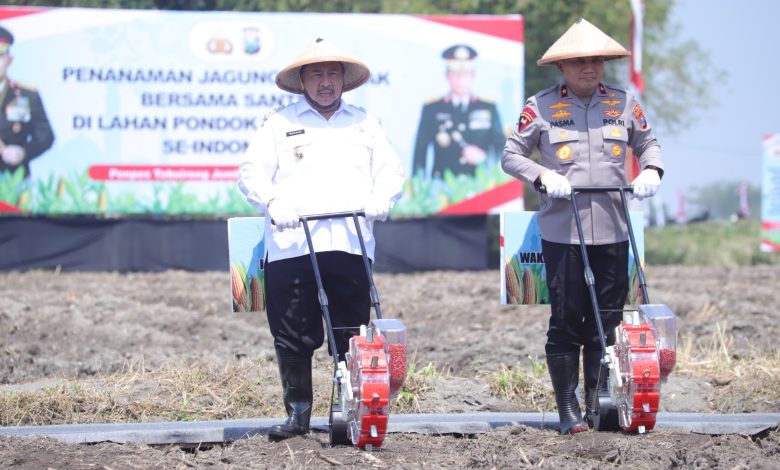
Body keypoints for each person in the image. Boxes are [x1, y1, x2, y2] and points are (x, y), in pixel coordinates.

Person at [501, 18, 664, 434]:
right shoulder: (540, 107)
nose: (588, 68)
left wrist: (652, 170)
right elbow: (511, 155)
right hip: (563, 233)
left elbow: (648, 143)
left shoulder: (624, 104)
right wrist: (542, 175)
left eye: (595, 61)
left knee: (608, 321)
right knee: (567, 320)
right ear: (562, 67)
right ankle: (568, 408)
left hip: (614, 229)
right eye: (578, 62)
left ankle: (599, 402)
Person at [238, 38, 405, 441]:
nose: (325, 82)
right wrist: (272, 200)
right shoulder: (278, 124)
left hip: (350, 243)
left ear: (344, 80)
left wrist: (383, 196)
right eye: (317, 74)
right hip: (292, 244)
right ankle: (297, 416)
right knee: (291, 332)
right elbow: (250, 173)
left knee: (350, 331)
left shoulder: (365, 123)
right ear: (302, 80)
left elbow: (391, 171)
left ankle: (346, 411)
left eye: (333, 73)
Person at [412, 44, 505, 179]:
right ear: (447, 76)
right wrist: (417, 185)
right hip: (442, 184)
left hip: (481, 183)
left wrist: (484, 157)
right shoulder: (432, 109)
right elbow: (420, 153)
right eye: (455, 73)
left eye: (465, 74)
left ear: (473, 76)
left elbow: (501, 149)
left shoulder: (488, 108)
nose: (460, 79)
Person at [0, 25, 55, 180]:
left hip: (13, 178)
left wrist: (23, 152)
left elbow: (45, 136)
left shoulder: (27, 94)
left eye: (0, 55)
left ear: (9, 60)